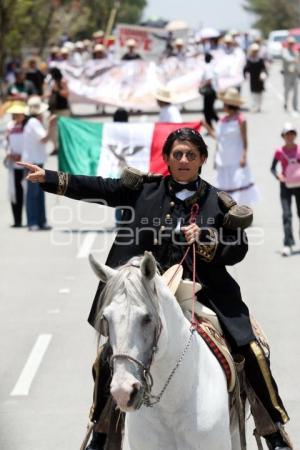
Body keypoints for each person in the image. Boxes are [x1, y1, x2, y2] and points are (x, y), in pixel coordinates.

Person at [19, 127, 292, 450]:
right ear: (166, 159)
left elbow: (239, 247)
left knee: (250, 349)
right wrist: (49, 177)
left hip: (199, 293)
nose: (184, 160)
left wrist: (207, 239)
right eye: (177, 154)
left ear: (202, 159)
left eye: (191, 154)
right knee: (109, 355)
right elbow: (99, 187)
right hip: (146, 292)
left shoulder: (219, 202)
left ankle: (272, 430)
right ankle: (102, 430)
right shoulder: (144, 190)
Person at [213, 87, 260, 205]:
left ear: (229, 104)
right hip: (223, 158)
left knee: (237, 183)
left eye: (224, 103)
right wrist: (205, 126)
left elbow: (245, 140)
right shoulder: (222, 120)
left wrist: (244, 155)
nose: (223, 106)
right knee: (224, 186)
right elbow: (218, 139)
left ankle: (237, 212)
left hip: (235, 157)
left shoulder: (241, 119)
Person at [22, 96, 56, 231]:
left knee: (39, 192)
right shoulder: (33, 122)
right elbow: (44, 139)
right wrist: (52, 126)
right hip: (33, 163)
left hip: (36, 162)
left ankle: (41, 221)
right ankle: (33, 222)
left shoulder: (32, 122)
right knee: (33, 194)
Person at [271, 123, 300, 257]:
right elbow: (272, 168)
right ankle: (287, 244)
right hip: (285, 186)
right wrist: (279, 176)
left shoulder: (299, 149)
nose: (290, 136)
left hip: (299, 185)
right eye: (287, 134)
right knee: (287, 215)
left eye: (292, 133)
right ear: (283, 136)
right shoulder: (279, 152)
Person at [4, 101, 26, 227]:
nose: (17, 116)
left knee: (25, 192)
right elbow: (5, 143)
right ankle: (17, 220)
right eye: (15, 114)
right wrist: (9, 154)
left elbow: (29, 144)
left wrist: (23, 156)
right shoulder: (9, 126)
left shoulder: (26, 127)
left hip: (25, 164)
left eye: (20, 114)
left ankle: (30, 218)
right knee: (14, 193)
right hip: (14, 165)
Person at [46, 67, 70, 155]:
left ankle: (63, 148)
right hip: (54, 109)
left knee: (63, 129)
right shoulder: (53, 82)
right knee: (52, 129)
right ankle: (56, 147)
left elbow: (67, 93)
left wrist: (58, 90)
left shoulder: (62, 82)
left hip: (63, 109)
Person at [244, 43, 268, 113]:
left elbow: (263, 68)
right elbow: (246, 69)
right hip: (252, 78)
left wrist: (263, 74)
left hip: (259, 78)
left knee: (260, 92)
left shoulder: (260, 59)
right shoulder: (249, 59)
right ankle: (254, 106)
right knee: (253, 93)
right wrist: (245, 75)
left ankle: (259, 106)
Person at [199, 53, 219, 128]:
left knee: (207, 110)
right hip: (212, 91)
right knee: (209, 110)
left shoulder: (207, 67)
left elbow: (209, 79)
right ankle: (214, 125)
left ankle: (212, 126)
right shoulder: (212, 67)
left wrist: (201, 86)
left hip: (209, 92)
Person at [282, 36, 299, 112]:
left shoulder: (296, 52)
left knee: (296, 91)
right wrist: (294, 60)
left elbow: (298, 64)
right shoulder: (284, 51)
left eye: (292, 43)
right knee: (287, 90)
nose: (291, 44)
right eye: (290, 43)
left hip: (294, 74)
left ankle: (295, 106)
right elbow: (287, 58)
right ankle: (285, 103)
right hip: (287, 74)